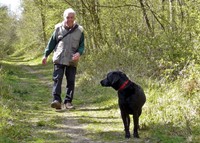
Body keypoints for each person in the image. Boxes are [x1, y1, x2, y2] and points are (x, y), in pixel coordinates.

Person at [42, 8, 84, 110]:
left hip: (72, 60)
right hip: (59, 58)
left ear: (74, 18)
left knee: (71, 81)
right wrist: (45, 55)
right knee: (57, 79)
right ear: (64, 17)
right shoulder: (57, 29)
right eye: (67, 17)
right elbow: (51, 44)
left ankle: (68, 102)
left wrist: (79, 53)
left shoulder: (80, 30)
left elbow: (82, 45)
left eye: (72, 17)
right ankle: (57, 101)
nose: (69, 19)